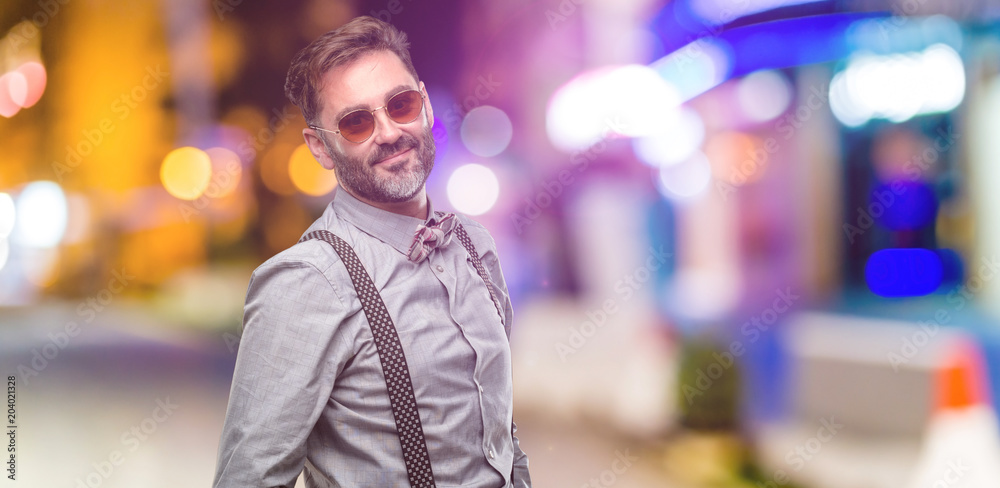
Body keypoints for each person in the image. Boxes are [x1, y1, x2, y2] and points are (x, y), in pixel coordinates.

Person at [212, 16, 531, 488]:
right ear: (320, 147)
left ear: (423, 104)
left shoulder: (475, 244)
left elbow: (501, 438)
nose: (388, 131)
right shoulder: (306, 282)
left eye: (400, 105)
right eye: (356, 122)